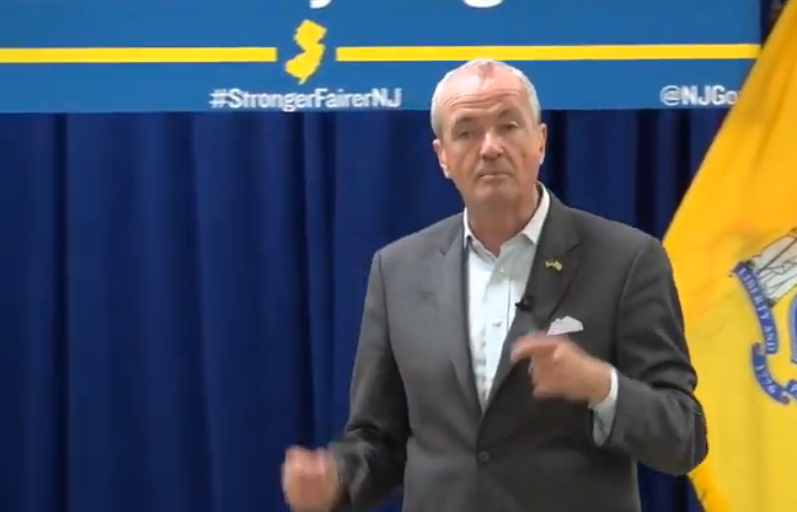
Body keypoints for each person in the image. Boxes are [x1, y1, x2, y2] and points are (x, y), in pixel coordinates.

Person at [282, 58, 708, 512]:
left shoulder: (627, 260)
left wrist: (601, 385)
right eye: (466, 132)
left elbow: (685, 436)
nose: (490, 148)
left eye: (508, 126)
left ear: (540, 140)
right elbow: (378, 439)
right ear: (442, 157)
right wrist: (338, 480)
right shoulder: (398, 270)